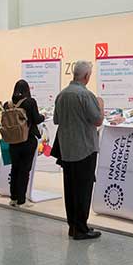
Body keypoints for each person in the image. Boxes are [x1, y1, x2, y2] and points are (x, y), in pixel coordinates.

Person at [54, 60, 104, 240]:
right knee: (83, 189)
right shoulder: (86, 95)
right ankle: (81, 228)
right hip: (85, 149)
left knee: (70, 189)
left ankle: (73, 226)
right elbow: (98, 120)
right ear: (87, 76)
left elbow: (56, 120)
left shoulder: (61, 95)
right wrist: (101, 104)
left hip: (67, 149)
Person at [5, 79, 44, 205]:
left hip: (13, 141)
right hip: (27, 140)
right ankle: (22, 200)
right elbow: (36, 119)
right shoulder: (30, 102)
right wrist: (43, 116)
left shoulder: (8, 104)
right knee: (24, 170)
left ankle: (13, 198)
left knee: (15, 168)